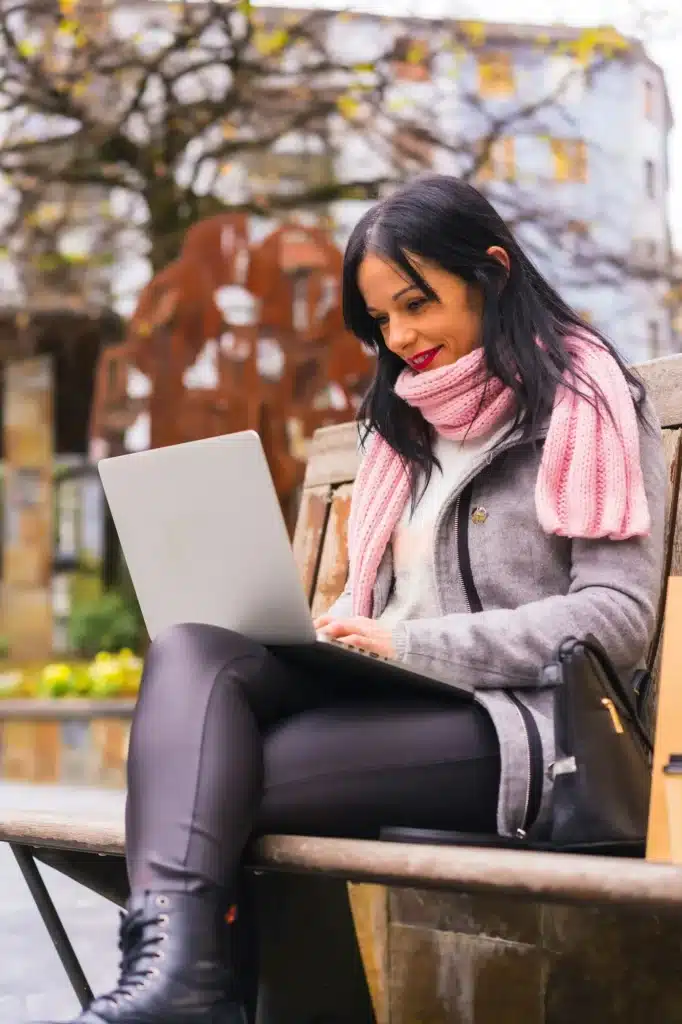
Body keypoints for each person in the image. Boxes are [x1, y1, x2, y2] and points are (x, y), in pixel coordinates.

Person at [44, 175, 665, 1024]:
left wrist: (409, 647)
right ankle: (181, 980)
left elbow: (615, 622)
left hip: (528, 729)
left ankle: (195, 988)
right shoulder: (401, 424)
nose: (401, 337)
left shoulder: (585, 408)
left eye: (417, 304)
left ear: (492, 271)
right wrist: (343, 640)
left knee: (218, 783)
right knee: (193, 648)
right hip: (391, 697)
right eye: (380, 320)